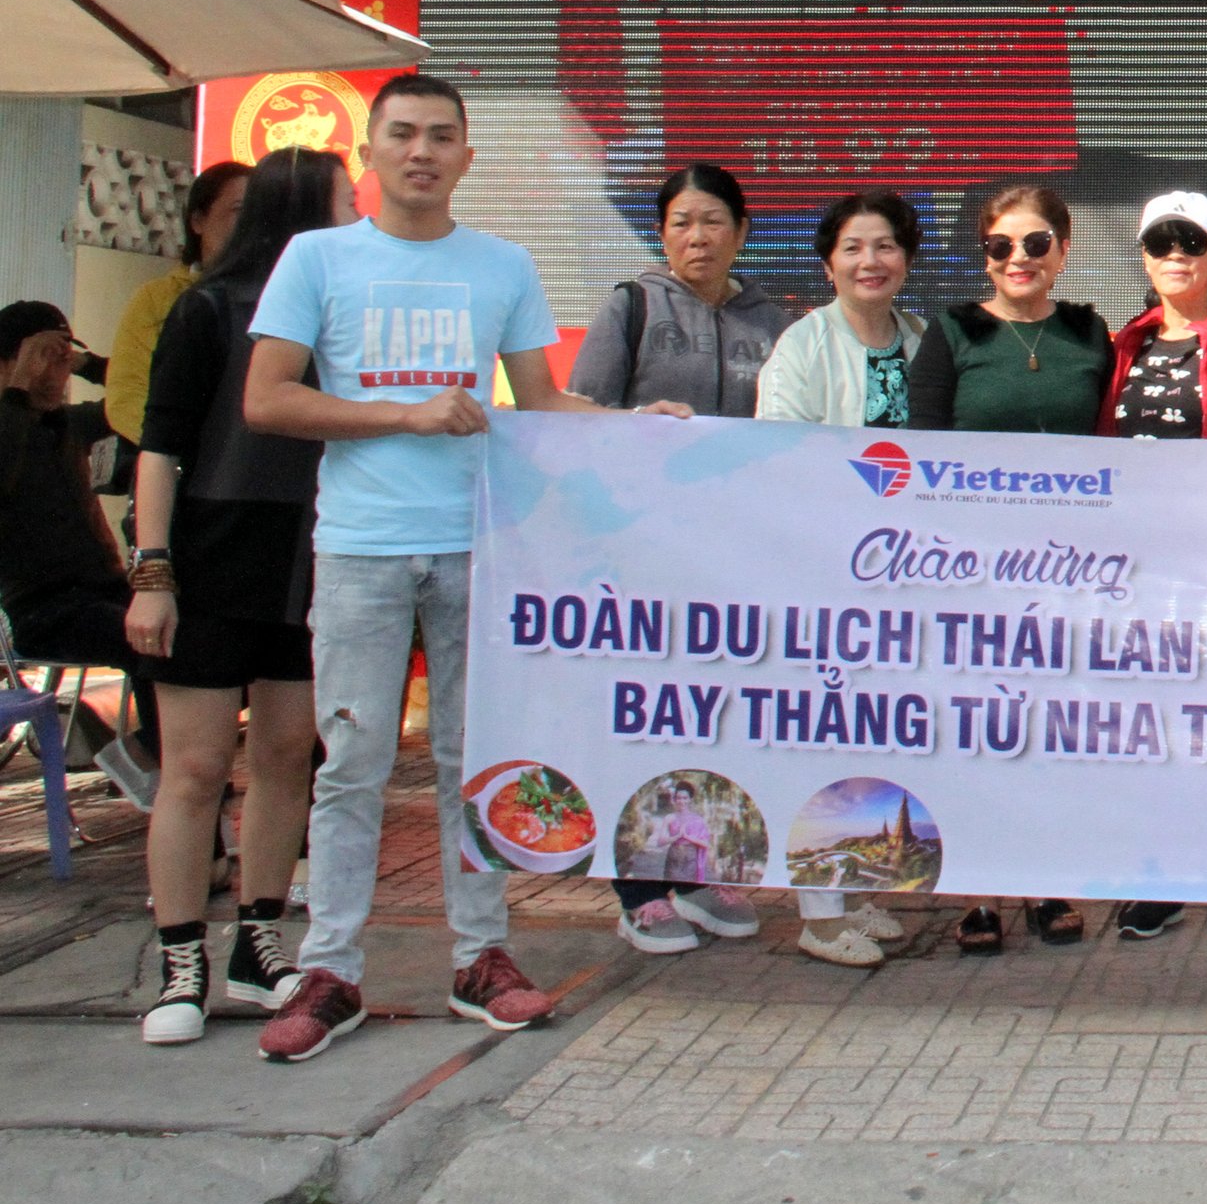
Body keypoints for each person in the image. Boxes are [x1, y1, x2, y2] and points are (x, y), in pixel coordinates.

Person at [243, 73, 694, 1064]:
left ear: (466, 155)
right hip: (359, 546)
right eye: (402, 133)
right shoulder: (316, 258)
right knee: (352, 759)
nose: (421, 152)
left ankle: (481, 953)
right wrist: (400, 414)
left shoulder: (500, 263)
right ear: (370, 148)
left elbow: (536, 403)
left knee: (470, 756)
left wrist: (629, 424)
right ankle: (332, 968)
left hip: (479, 542)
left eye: (441, 136)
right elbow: (267, 399)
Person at [126, 147, 350, 1046]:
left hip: (307, 559)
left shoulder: (338, 315)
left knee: (290, 754)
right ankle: (182, 959)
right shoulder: (207, 309)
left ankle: (262, 944)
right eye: (343, 199)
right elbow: (160, 447)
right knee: (193, 768)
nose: (355, 214)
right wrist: (153, 572)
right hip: (209, 557)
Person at [570, 162, 794, 957]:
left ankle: (704, 870)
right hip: (641, 552)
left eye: (712, 222)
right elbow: (577, 420)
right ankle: (639, 886)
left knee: (721, 712)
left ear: (741, 230)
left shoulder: (773, 322)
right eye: (680, 224)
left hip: (735, 555)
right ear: (661, 234)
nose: (697, 238)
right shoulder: (629, 307)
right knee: (647, 714)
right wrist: (637, 423)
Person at [910, 184, 1113, 951]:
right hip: (973, 573)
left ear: (1063, 251)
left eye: (1035, 244)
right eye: (1001, 245)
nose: (1018, 259)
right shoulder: (952, 331)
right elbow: (924, 455)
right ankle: (979, 890)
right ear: (983, 253)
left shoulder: (1091, 333)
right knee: (974, 731)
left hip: (1070, 571)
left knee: (1051, 731)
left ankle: (1047, 881)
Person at [756, 188, 930, 966]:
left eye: (886, 246)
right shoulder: (803, 343)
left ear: (907, 258)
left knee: (879, 732)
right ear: (829, 261)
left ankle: (854, 896)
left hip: (910, 575)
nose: (871, 261)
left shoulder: (924, 339)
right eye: (854, 247)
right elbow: (777, 457)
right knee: (824, 733)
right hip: (825, 569)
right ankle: (820, 915)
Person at [1101, 189, 1207, 947]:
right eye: (1161, 241)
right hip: (1142, 566)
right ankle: (1162, 878)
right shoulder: (1130, 339)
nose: (1176, 254)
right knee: (1153, 725)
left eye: (1192, 240)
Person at [0, 299, 155, 800]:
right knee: (147, 639)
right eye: (43, 355)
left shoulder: (68, 425)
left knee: (189, 629)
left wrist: (88, 363)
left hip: (106, 592)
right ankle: (157, 766)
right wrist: (19, 388)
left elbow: (141, 398)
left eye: (61, 356)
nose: (55, 369)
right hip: (43, 608)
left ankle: (150, 756)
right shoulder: (8, 425)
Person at [106, 160, 251, 452]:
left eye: (258, 211)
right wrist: (179, 449)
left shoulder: (277, 296)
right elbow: (126, 398)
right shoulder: (157, 299)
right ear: (198, 220)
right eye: (238, 209)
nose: (250, 222)